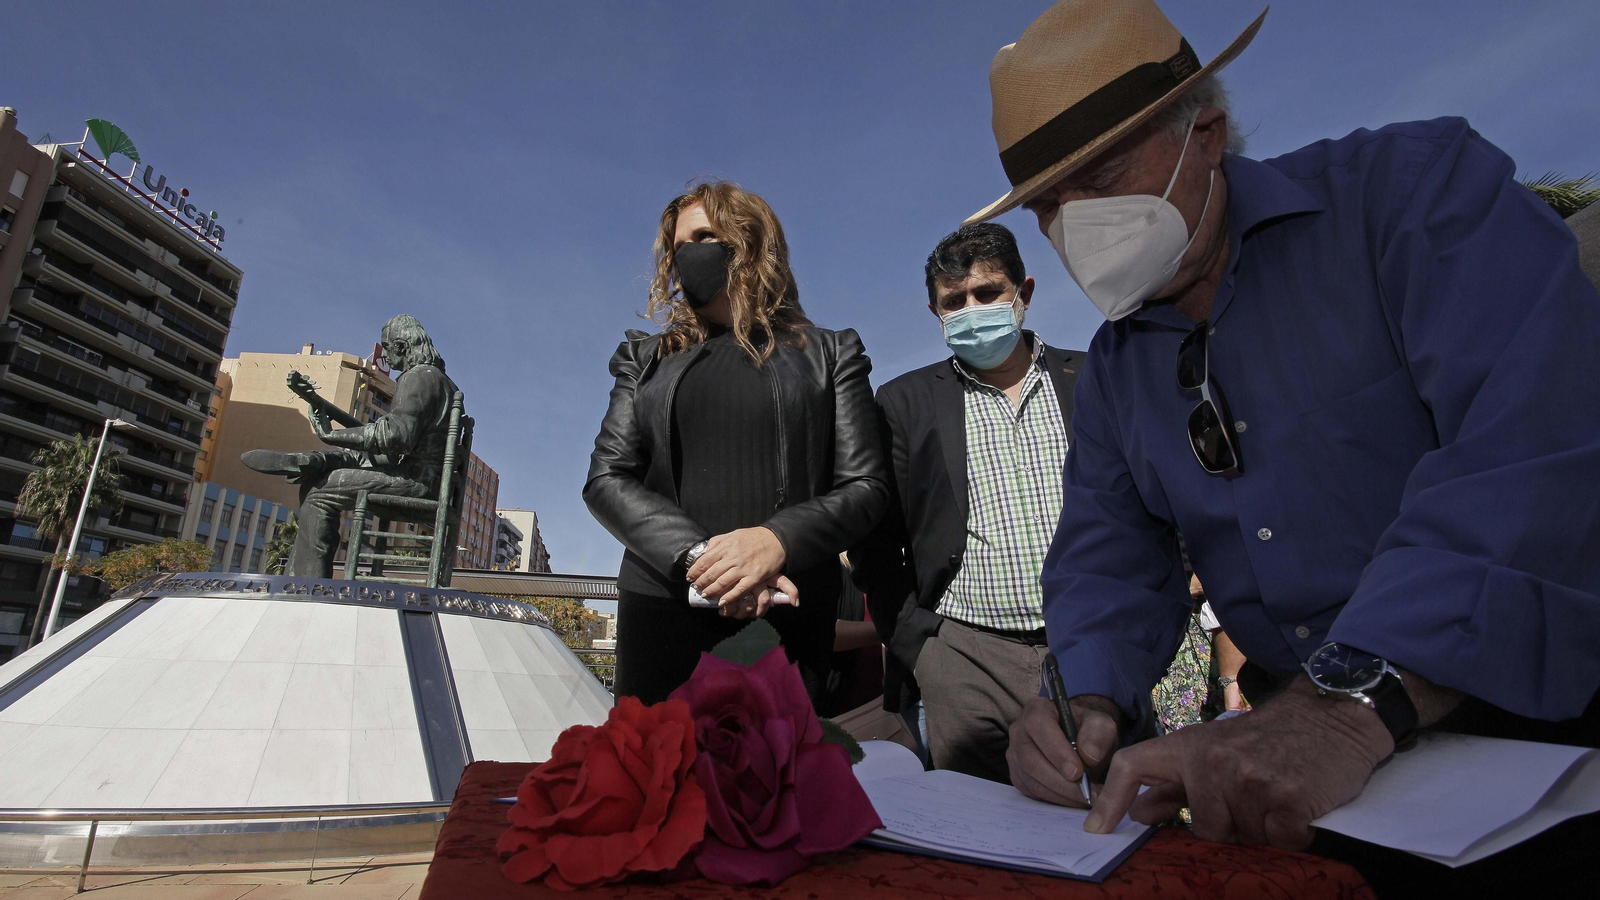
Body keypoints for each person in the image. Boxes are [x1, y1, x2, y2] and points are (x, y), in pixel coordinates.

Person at [963, 1, 1600, 893]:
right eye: (1047, 207)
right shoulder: (1115, 371)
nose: (1076, 225)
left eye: (1101, 177)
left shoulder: (1412, 196)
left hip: (1538, 739)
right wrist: (1084, 702)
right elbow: (1108, 560)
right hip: (1290, 781)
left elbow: (1539, 441)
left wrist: (1348, 705)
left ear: (1207, 133)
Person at [584, 181, 889, 706]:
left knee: (778, 778)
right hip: (663, 608)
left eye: (704, 236)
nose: (687, 256)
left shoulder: (831, 353)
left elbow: (866, 486)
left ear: (749, 240)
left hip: (785, 610)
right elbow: (607, 479)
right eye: (678, 246)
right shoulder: (643, 357)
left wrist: (775, 542)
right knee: (660, 777)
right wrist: (708, 564)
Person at [850, 223, 1085, 782]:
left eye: (987, 293)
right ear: (935, 312)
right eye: (954, 301)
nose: (972, 309)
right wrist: (921, 647)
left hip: (1090, 644)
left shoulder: (1091, 378)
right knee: (980, 828)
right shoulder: (906, 402)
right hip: (965, 655)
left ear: (1023, 293)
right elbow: (876, 537)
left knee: (1111, 815)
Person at [240, 314, 457, 578]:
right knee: (341, 467)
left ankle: (308, 584)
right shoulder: (438, 380)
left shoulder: (418, 378)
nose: (385, 356)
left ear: (400, 346)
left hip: (418, 485)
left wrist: (331, 435)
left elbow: (396, 437)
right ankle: (319, 461)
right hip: (422, 478)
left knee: (318, 492)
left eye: (386, 348)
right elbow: (398, 443)